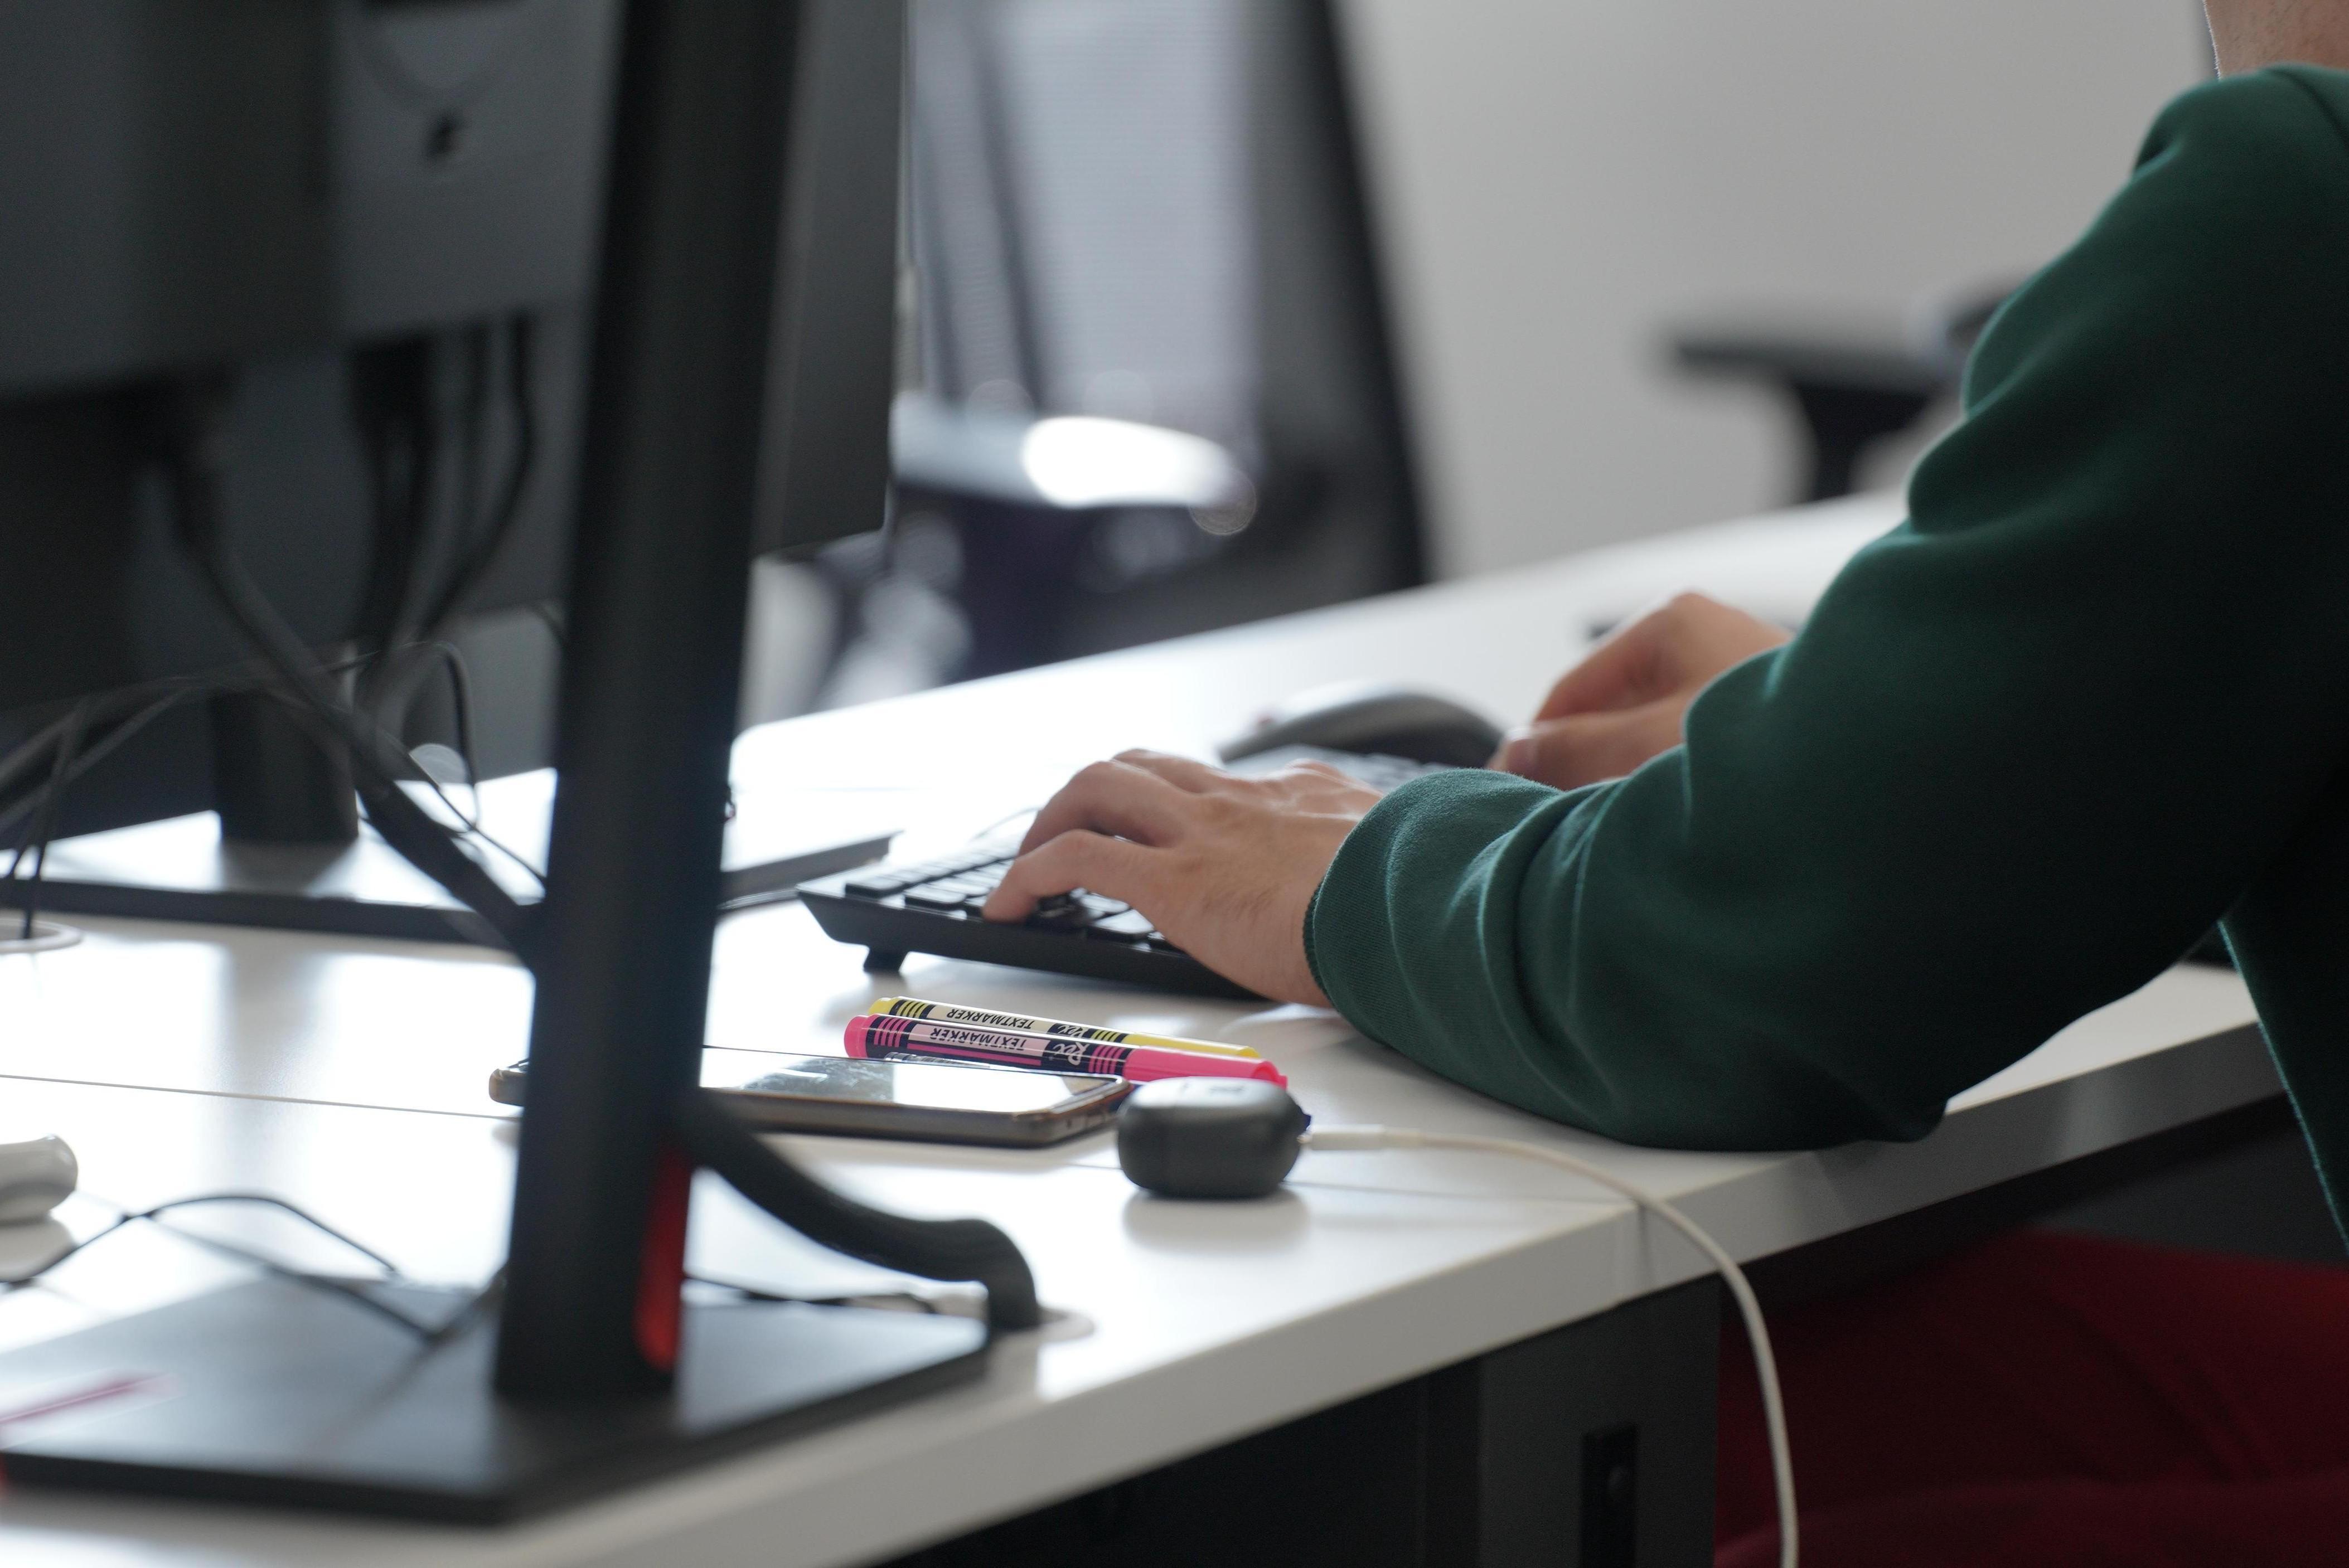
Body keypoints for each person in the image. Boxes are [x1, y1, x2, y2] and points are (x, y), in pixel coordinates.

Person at [982, 3, 2349, 1562]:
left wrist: (1358, 873)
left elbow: (1750, 971)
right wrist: (1901, 740)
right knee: (1763, 1394)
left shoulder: (2306, 195)